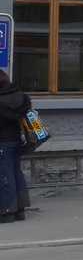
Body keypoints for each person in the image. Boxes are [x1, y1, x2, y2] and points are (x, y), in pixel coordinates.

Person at [0, 71, 33, 224]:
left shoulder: (1, 100)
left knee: (5, 176)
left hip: (3, 142)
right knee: (16, 173)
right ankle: (20, 209)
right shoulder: (20, 96)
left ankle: (6, 211)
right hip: (17, 140)